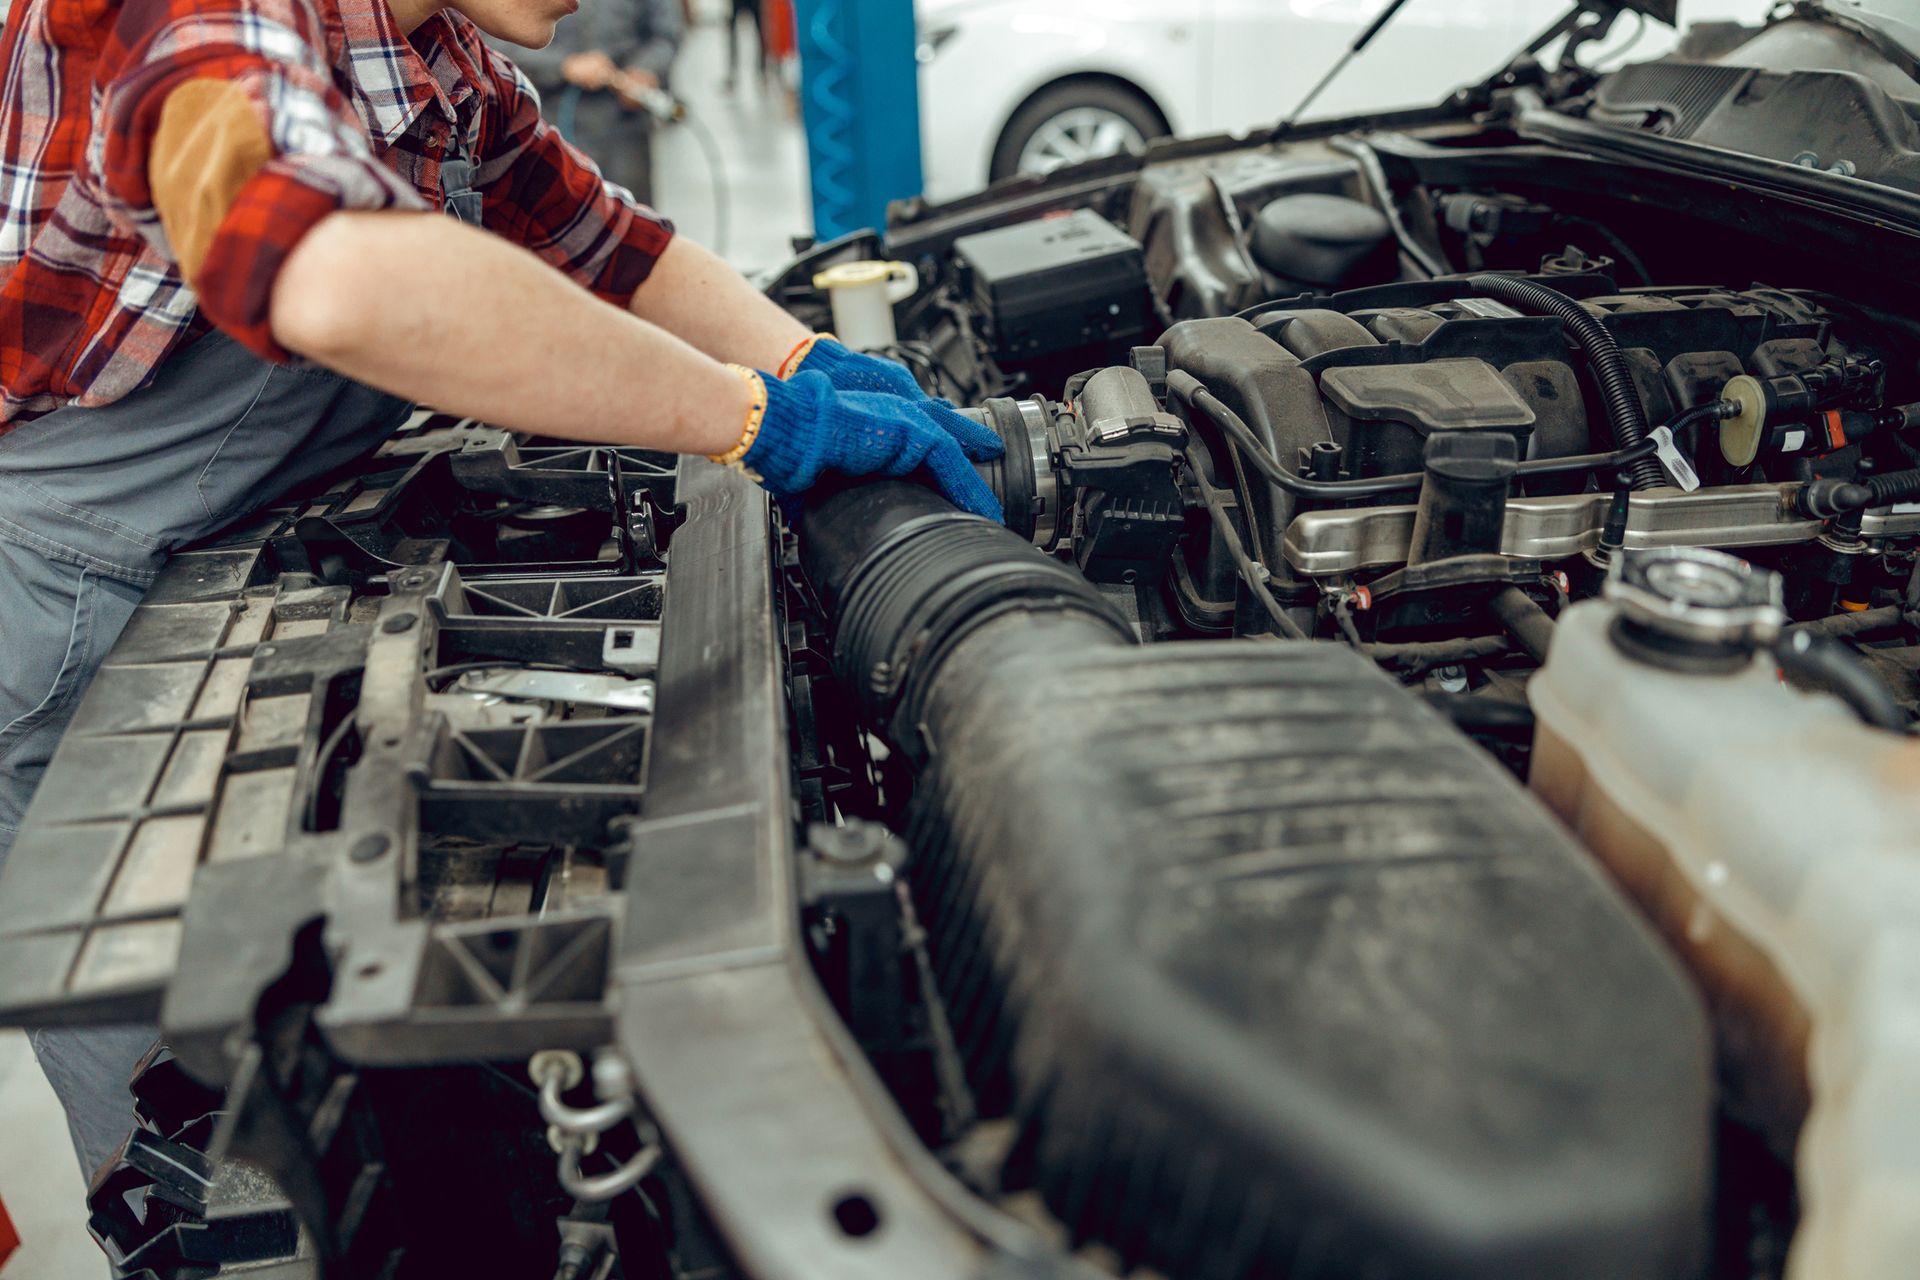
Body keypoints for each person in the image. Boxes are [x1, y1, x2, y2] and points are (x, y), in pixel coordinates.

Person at [0, 0, 1000, 1184]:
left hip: (250, 565)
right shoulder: (190, 18)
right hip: (68, 623)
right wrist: (755, 420)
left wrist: (813, 365)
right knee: (227, 1144)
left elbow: (614, 249)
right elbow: (328, 277)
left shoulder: (438, 61)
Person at [484, 0, 679, 204]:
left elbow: (665, 35)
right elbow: (494, 38)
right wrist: (564, 65)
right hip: (550, 114)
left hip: (623, 123)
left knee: (628, 211)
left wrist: (645, 70)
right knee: (551, 204)